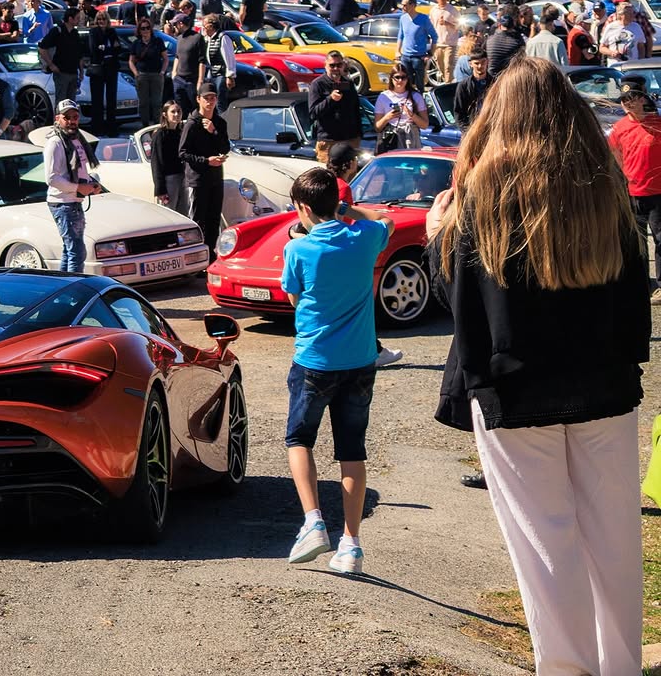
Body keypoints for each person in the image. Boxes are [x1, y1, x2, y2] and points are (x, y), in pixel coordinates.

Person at [429, 56, 649, 674]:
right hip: (602, 382)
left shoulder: (481, 191)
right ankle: (620, 666)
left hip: (514, 389)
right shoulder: (603, 180)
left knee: (545, 546)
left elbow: (460, 305)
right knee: (614, 539)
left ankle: (570, 668)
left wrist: (434, 236)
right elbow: (637, 286)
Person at [281, 167, 393, 574]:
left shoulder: (298, 250)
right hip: (361, 361)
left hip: (315, 360)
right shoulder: (364, 238)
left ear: (304, 208)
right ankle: (351, 544)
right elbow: (387, 222)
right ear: (337, 204)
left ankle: (312, 521)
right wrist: (349, 210)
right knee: (351, 451)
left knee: (299, 439)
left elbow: (294, 299)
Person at [327, 142, 403, 369]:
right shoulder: (343, 188)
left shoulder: (326, 181)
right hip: (343, 249)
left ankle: (374, 349)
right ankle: (375, 351)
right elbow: (339, 219)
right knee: (358, 306)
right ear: (350, 164)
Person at [608, 75, 661, 297]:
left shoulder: (657, 124)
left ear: (642, 99)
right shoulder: (619, 128)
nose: (627, 103)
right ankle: (641, 284)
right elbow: (616, 155)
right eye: (623, 99)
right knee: (635, 244)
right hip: (632, 193)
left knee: (660, 240)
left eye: (632, 98)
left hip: (658, 193)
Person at [43, 99, 101, 272]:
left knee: (71, 251)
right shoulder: (55, 142)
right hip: (62, 203)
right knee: (76, 251)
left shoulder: (76, 139)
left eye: (75, 116)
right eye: (66, 117)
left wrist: (91, 184)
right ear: (57, 118)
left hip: (73, 201)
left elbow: (79, 170)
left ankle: (64, 289)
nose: (71, 120)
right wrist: (78, 188)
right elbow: (51, 178)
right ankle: (73, 293)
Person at [178, 82, 230, 256]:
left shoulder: (219, 122)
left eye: (213, 98)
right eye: (206, 98)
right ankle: (197, 258)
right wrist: (206, 161)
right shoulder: (192, 123)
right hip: (198, 180)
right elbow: (183, 153)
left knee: (214, 220)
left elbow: (225, 147)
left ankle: (211, 257)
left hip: (216, 178)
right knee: (198, 221)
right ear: (198, 99)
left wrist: (214, 131)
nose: (210, 102)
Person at [307, 50, 362, 163]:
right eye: (332, 65)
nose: (336, 69)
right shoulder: (318, 84)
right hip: (328, 141)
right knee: (328, 177)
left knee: (350, 176)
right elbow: (313, 113)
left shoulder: (348, 83)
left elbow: (356, 109)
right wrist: (330, 99)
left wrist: (359, 134)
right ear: (325, 66)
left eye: (339, 65)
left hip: (350, 140)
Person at [374, 63, 428, 150]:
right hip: (392, 138)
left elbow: (425, 125)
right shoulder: (383, 97)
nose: (400, 80)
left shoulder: (416, 96)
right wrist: (387, 117)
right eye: (397, 77)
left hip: (411, 137)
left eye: (403, 77)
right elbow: (377, 127)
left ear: (407, 79)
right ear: (391, 78)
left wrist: (412, 115)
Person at [86, 11, 123, 135]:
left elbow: (118, 48)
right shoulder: (93, 32)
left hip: (111, 69)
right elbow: (94, 50)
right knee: (97, 100)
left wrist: (105, 49)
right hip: (98, 70)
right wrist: (108, 49)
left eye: (104, 19)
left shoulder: (112, 32)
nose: (101, 21)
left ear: (107, 20)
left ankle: (111, 127)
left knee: (111, 99)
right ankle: (98, 128)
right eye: (99, 19)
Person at [39, 8, 85, 106]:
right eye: (77, 18)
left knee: (72, 103)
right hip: (61, 72)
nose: (79, 20)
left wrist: (81, 71)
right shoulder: (57, 31)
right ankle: (59, 121)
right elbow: (42, 48)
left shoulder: (75, 34)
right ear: (70, 19)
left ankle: (70, 121)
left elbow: (79, 54)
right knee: (61, 102)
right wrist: (51, 65)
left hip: (73, 73)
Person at [128, 17, 168, 127]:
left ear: (151, 29)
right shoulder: (136, 43)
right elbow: (131, 61)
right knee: (143, 103)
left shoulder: (158, 41)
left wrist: (162, 72)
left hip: (156, 75)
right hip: (142, 75)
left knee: (156, 102)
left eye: (147, 28)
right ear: (139, 30)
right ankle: (145, 125)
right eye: (142, 28)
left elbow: (165, 58)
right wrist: (136, 73)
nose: (145, 30)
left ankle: (157, 125)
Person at [150, 101, 187, 214]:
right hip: (169, 180)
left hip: (183, 177)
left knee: (184, 214)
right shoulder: (160, 135)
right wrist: (160, 189)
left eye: (178, 111)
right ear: (165, 114)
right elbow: (156, 163)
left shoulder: (182, 132)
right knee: (169, 214)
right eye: (173, 112)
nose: (176, 114)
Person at [395, 0, 436, 91]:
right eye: (402, 5)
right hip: (405, 56)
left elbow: (434, 36)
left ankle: (420, 101)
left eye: (405, 5)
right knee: (406, 81)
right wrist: (397, 51)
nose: (403, 7)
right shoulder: (403, 18)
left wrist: (430, 53)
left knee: (419, 84)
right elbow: (400, 36)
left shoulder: (423, 18)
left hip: (419, 56)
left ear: (412, 5)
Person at [197, 13, 236, 111]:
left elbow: (229, 58)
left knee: (219, 102)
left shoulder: (223, 38)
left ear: (210, 26)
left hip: (220, 74)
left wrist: (230, 76)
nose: (203, 28)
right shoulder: (208, 39)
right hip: (211, 73)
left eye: (204, 26)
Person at [452, 50, 492, 130]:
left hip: (491, 126)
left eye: (483, 62)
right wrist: (466, 131)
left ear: (488, 61)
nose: (480, 66)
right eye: (476, 63)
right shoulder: (464, 86)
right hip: (472, 127)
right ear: (470, 64)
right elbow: (459, 112)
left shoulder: (495, 83)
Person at [428, 0, 459, 85]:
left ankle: (448, 86)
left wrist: (447, 23)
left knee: (448, 66)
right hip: (437, 43)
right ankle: (447, 81)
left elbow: (459, 26)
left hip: (450, 43)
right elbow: (430, 26)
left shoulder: (452, 10)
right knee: (440, 66)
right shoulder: (433, 10)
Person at [485, 6, 526, 78]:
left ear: (500, 25)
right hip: (506, 78)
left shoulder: (489, 40)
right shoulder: (515, 42)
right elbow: (522, 61)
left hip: (490, 77)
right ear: (512, 27)